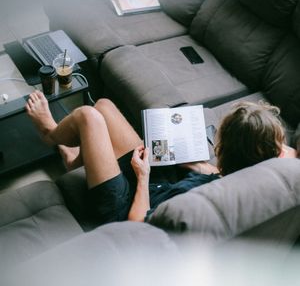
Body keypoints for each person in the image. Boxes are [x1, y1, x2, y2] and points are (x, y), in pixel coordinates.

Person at [26, 92, 297, 224]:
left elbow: (137, 223)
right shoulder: (250, 172)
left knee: (89, 116)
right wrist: (189, 160)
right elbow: (214, 174)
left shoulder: (198, 197)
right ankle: (75, 162)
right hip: (158, 180)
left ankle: (49, 132)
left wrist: (142, 176)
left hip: (125, 203)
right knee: (104, 105)